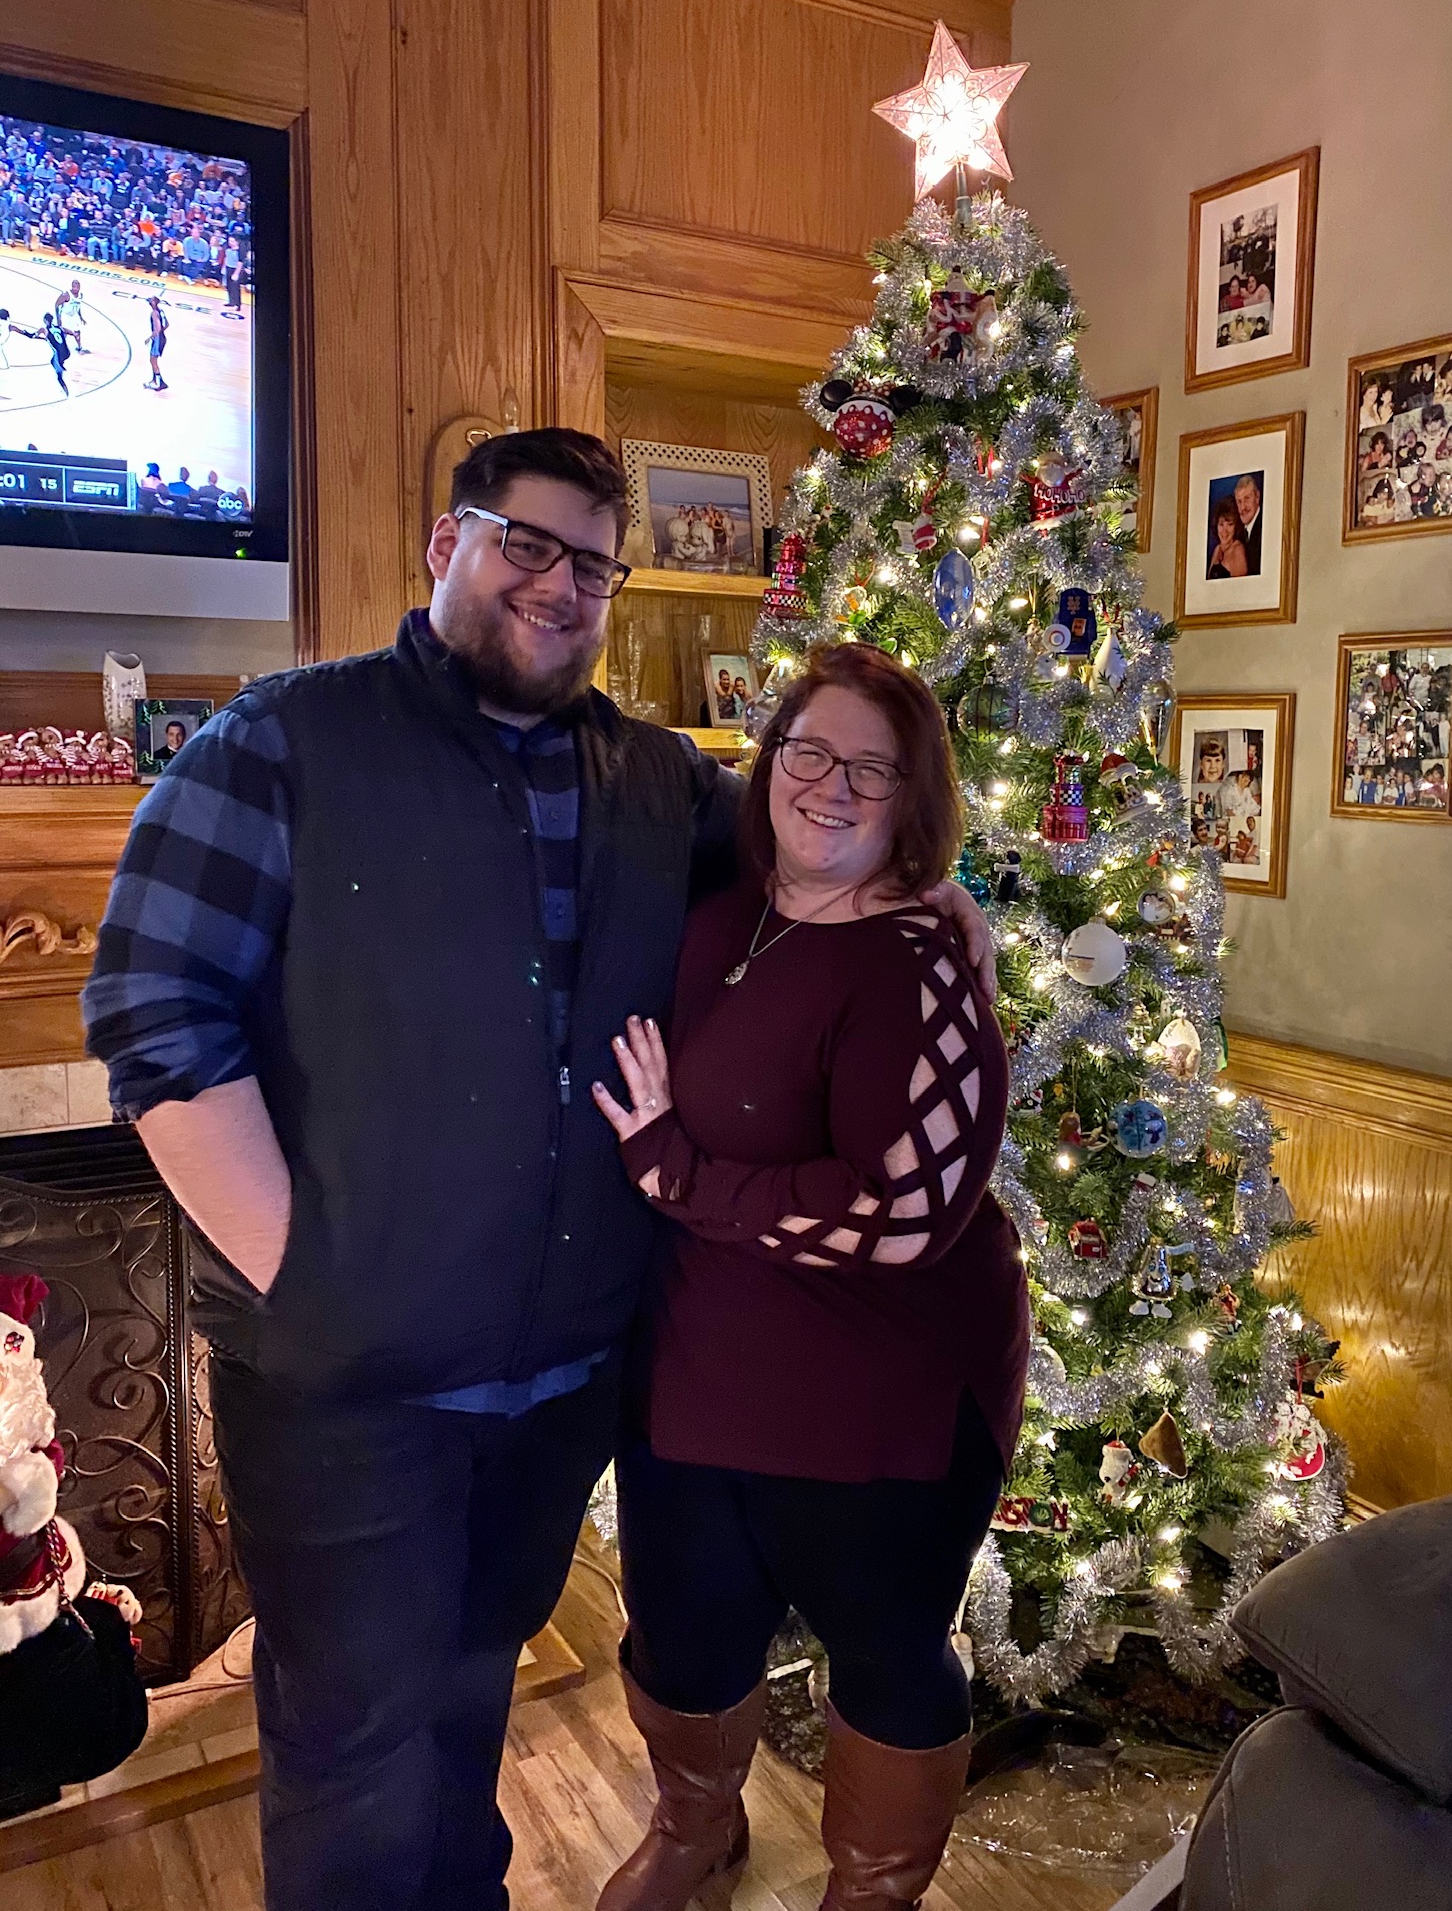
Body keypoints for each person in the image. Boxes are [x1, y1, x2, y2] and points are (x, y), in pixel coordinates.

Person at [80, 428, 992, 1911]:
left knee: (467, 1700)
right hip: (346, 1390)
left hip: (561, 1384)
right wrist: (312, 1282)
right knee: (355, 1740)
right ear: (448, 544)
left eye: (595, 565)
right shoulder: (281, 742)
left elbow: (820, 855)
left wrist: (947, 903)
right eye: (529, 542)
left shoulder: (658, 784)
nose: (561, 587)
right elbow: (151, 1016)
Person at [590, 641, 1028, 1911]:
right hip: (693, 1369)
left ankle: (874, 1884)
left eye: (872, 771)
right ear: (768, 759)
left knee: (887, 1651)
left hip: (875, 1399)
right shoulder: (724, 905)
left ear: (913, 801)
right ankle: (694, 1832)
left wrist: (674, 1174)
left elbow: (898, 1215)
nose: (831, 787)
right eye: (809, 751)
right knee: (681, 1630)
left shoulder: (923, 968)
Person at [1206, 495, 1250, 579]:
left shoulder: (1238, 550)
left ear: (1236, 526)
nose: (1224, 531)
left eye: (1230, 524)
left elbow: (1241, 588)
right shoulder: (1218, 548)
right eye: (1221, 524)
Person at [1232, 473, 1264, 567]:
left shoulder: (1265, 528)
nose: (1242, 507)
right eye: (1239, 501)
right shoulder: (1238, 532)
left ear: (1257, 497)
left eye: (1247, 499)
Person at [144, 294, 168, 391]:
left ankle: (158, 383)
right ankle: (156, 381)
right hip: (162, 338)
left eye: (151, 301)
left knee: (153, 361)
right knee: (152, 360)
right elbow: (166, 325)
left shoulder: (154, 313)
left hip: (157, 339)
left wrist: (150, 338)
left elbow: (157, 328)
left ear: (154, 303)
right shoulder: (161, 311)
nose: (149, 302)